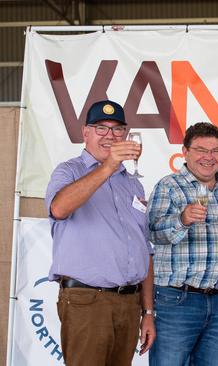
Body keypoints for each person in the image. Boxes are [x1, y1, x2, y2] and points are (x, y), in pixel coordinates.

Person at [45, 99, 155, 366]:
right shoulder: (69, 170)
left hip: (129, 303)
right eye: (101, 128)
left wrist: (148, 311)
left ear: (126, 135)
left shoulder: (133, 185)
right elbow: (59, 208)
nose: (110, 135)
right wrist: (107, 166)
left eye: (117, 129)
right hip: (87, 301)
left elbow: (145, 248)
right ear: (85, 133)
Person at [147, 122, 218, 366]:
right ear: (185, 151)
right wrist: (181, 220)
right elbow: (152, 234)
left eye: (215, 150)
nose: (208, 157)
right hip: (178, 299)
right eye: (201, 149)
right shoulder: (168, 186)